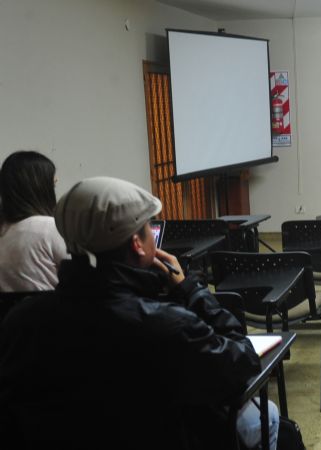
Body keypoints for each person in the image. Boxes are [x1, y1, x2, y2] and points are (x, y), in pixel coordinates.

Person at [0, 177, 278, 450]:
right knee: (269, 416)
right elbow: (240, 363)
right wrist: (190, 290)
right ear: (137, 243)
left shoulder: (21, 321)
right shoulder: (167, 325)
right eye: (148, 227)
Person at [0, 150, 68, 291]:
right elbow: (83, 279)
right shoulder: (51, 228)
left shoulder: (4, 228)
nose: (56, 181)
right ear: (41, 187)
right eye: (52, 184)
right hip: (48, 312)